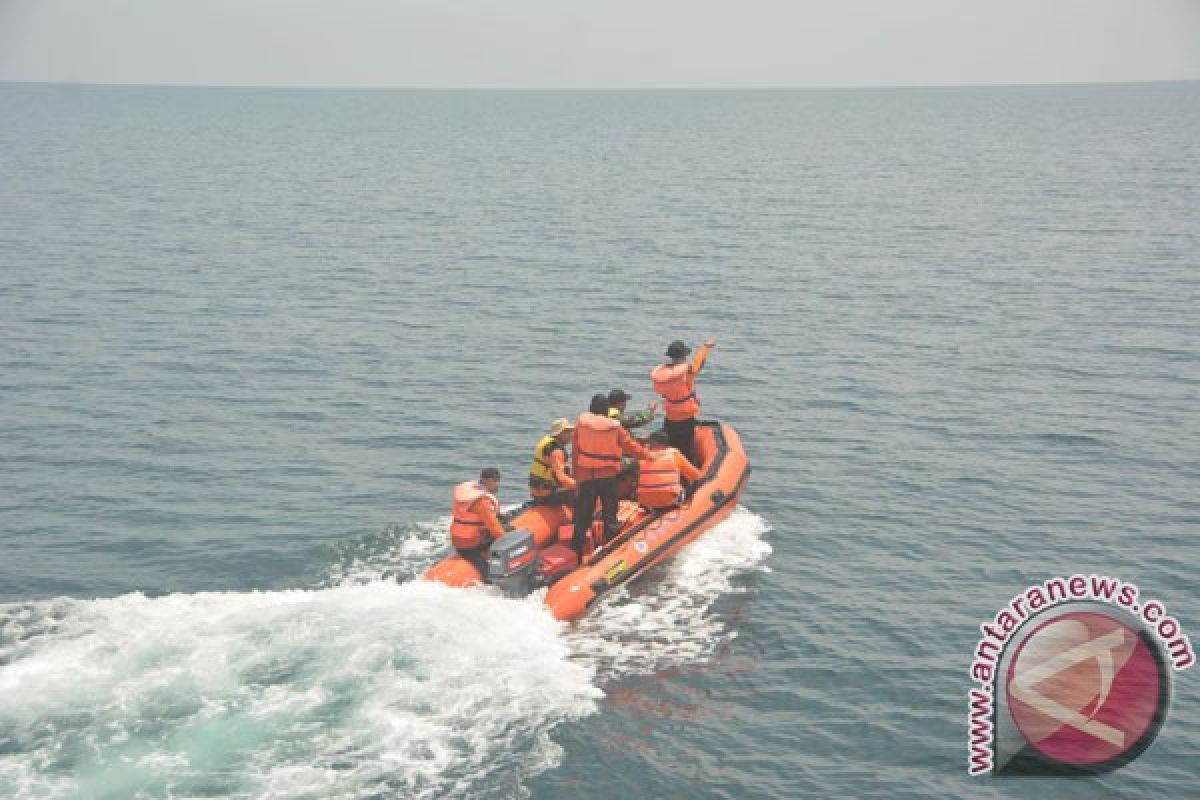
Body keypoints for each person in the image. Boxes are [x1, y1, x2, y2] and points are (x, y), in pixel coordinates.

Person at [572, 393, 650, 557]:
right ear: (607, 410)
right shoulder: (614, 427)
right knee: (610, 514)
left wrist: (577, 477)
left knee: (583, 515)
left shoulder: (581, 424)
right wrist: (648, 456)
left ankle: (577, 549)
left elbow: (575, 452)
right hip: (607, 477)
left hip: (586, 476)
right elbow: (630, 446)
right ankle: (611, 549)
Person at [650, 337, 716, 466]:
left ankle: (669, 470)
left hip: (669, 417)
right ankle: (688, 480)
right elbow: (698, 364)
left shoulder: (663, 375)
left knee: (671, 445)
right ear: (683, 356)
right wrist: (706, 347)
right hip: (685, 418)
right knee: (687, 449)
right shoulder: (686, 373)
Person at [449, 467, 508, 582]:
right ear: (488, 481)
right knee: (506, 532)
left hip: (457, 540)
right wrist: (506, 541)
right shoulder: (482, 502)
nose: (498, 485)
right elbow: (495, 528)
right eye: (496, 481)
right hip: (470, 544)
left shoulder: (470, 493)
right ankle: (491, 579)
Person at [637, 431, 701, 509]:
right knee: (697, 483)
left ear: (651, 443)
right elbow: (695, 475)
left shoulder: (642, 456)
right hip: (669, 499)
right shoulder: (674, 454)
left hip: (645, 501)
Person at [528, 418, 577, 505]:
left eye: (570, 432)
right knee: (583, 493)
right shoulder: (556, 451)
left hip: (537, 490)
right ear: (559, 434)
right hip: (547, 493)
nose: (570, 435)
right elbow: (560, 478)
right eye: (567, 432)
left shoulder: (548, 443)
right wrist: (579, 485)